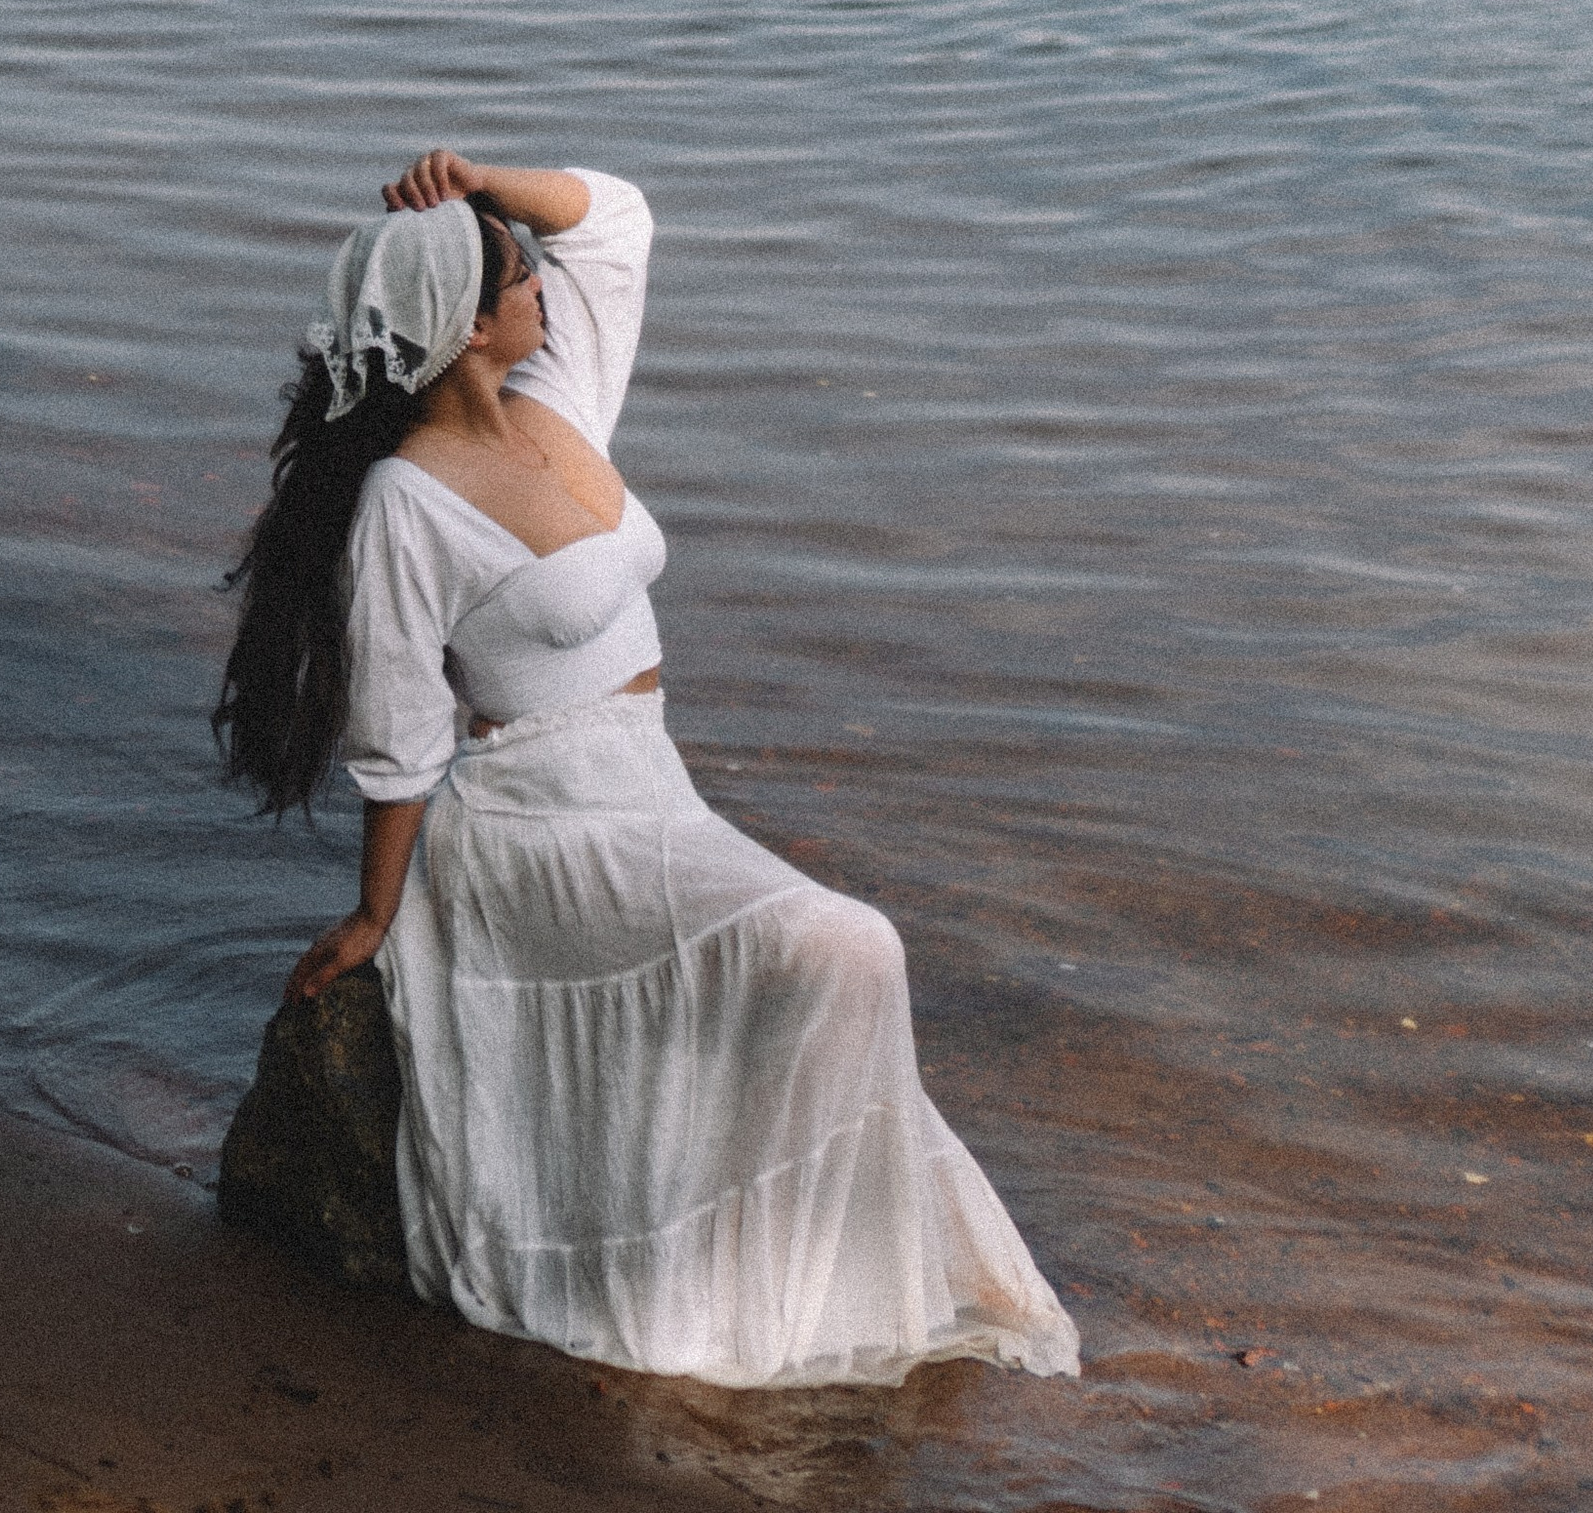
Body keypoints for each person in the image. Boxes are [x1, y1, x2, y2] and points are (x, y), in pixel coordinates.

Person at [215, 149, 1080, 1391]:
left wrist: (477, 181)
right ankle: (751, 1279)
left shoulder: (560, 398)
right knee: (853, 945)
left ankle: (790, 1254)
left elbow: (616, 221)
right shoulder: (406, 504)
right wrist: (375, 911)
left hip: (648, 786)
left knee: (833, 960)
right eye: (517, 279)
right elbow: (401, 739)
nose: (543, 293)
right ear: (468, 329)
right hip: (540, 820)